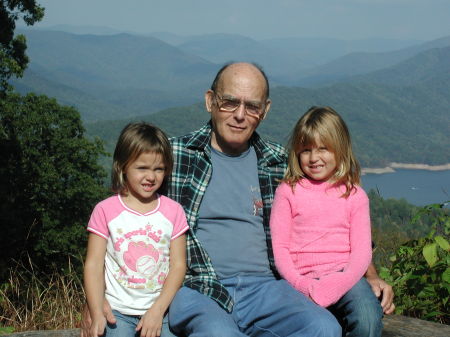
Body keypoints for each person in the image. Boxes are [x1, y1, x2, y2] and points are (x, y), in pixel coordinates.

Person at [81, 62, 394, 337]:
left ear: (265, 110)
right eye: (230, 102)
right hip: (200, 287)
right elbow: (124, 220)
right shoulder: (173, 157)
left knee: (324, 328)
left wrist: (371, 275)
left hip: (268, 288)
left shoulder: (281, 164)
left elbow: (332, 211)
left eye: (252, 106)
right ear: (210, 101)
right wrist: (95, 300)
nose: (240, 115)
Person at [270, 106, 384, 336]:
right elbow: (280, 249)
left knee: (368, 318)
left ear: (340, 149)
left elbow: (362, 254)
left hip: (346, 278)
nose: (314, 158)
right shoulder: (287, 192)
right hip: (299, 281)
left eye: (324, 149)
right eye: (306, 150)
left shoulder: (354, 195)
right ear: (296, 152)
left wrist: (337, 285)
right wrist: (302, 285)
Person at [83, 122, 188, 337]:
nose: (151, 176)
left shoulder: (173, 211)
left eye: (159, 169)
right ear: (122, 166)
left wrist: (157, 310)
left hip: (161, 311)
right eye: (142, 168)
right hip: (116, 312)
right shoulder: (105, 210)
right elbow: (94, 264)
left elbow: (178, 266)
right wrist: (95, 312)